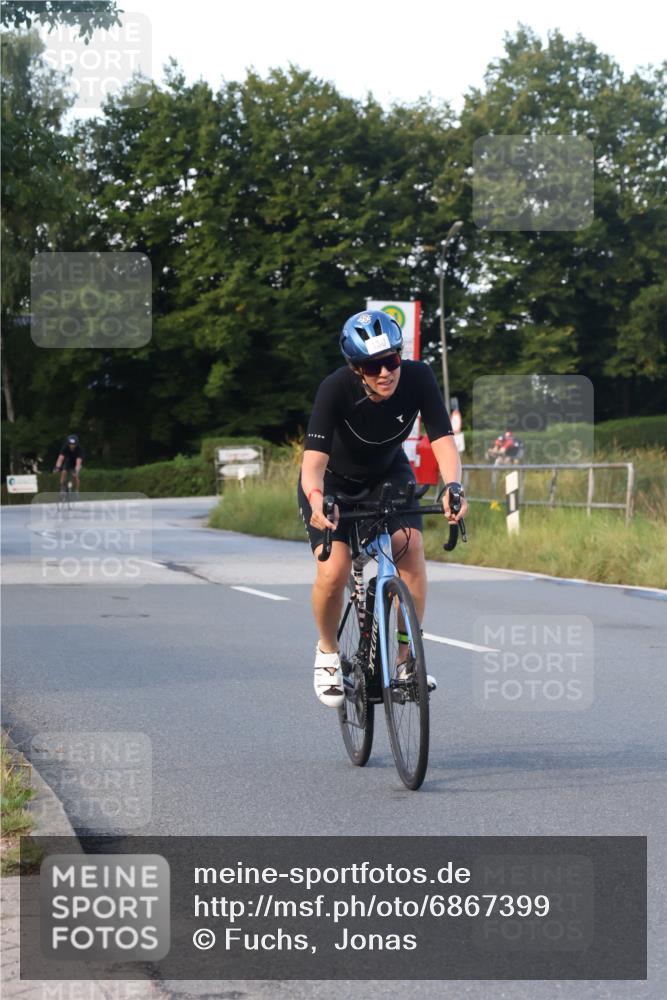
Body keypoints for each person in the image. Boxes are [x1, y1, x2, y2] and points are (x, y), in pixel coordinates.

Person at [298, 310, 468, 708]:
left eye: (391, 360)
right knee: (334, 569)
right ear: (357, 369)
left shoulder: (419, 377)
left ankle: (407, 661)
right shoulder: (335, 388)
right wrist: (316, 499)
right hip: (334, 483)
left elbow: (442, 437)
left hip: (388, 474)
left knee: (409, 547)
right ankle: (326, 653)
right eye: (373, 366)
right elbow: (313, 465)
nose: (385, 372)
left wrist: (453, 486)